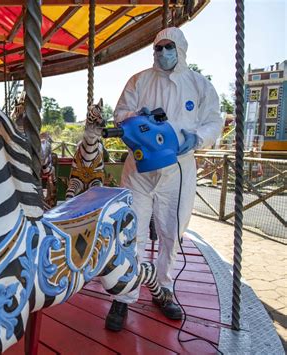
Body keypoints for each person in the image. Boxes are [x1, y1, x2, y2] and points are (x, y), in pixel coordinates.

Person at [105, 27, 223, 331]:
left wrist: (196, 138)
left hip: (178, 169)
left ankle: (163, 288)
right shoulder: (139, 80)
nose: (163, 52)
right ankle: (125, 294)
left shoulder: (199, 85)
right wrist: (134, 117)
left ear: (181, 49)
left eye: (169, 46)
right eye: (158, 47)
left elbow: (214, 122)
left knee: (172, 233)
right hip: (139, 168)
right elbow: (119, 113)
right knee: (132, 231)